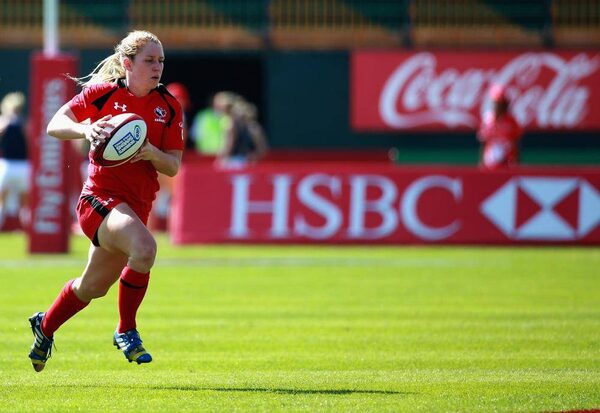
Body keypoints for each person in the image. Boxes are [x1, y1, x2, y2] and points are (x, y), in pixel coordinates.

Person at [27, 30, 184, 372]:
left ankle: (45, 326)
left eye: (160, 60)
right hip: (98, 199)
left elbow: (173, 165)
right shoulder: (103, 93)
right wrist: (86, 130)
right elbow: (55, 124)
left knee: (91, 287)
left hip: (136, 206)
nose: (157, 67)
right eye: (149, 60)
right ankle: (126, 329)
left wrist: (151, 152)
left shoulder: (169, 106)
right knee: (145, 249)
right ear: (127, 63)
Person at [0, 91, 30, 231]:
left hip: (17, 165)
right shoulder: (7, 122)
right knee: (6, 200)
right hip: (13, 165)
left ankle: (28, 230)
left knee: (23, 202)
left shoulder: (23, 123)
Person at [477, 84, 524, 170]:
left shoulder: (511, 121)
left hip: (508, 163)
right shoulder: (487, 120)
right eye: (496, 103)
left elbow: (516, 143)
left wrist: (517, 162)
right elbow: (483, 142)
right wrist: (481, 163)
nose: (498, 106)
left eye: (502, 103)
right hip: (490, 163)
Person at [217, 98, 268, 169]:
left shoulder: (253, 128)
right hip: (245, 162)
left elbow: (229, 145)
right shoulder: (252, 127)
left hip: (239, 162)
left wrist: (223, 158)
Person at [190, 91, 236, 155]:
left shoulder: (230, 118)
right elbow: (194, 136)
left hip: (222, 155)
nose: (220, 105)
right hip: (203, 154)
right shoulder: (202, 116)